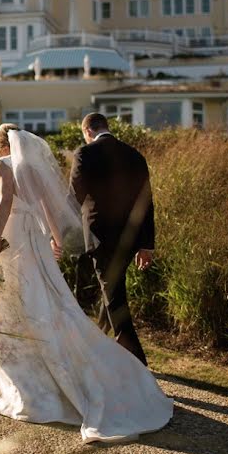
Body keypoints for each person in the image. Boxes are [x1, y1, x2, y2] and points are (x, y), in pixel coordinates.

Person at [0, 123, 172, 443]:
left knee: (10, 299)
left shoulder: (3, 163)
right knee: (45, 299)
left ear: (1, 146)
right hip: (35, 241)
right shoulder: (34, 169)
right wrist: (55, 238)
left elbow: (4, 204)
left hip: (13, 237)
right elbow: (48, 208)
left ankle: (17, 372)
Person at [68, 113, 155, 365]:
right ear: (106, 127)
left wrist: (56, 230)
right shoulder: (135, 155)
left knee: (113, 293)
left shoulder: (84, 154)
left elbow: (74, 197)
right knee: (112, 289)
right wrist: (146, 244)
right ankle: (101, 343)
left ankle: (135, 357)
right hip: (130, 237)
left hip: (99, 237)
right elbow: (147, 203)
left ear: (87, 131)